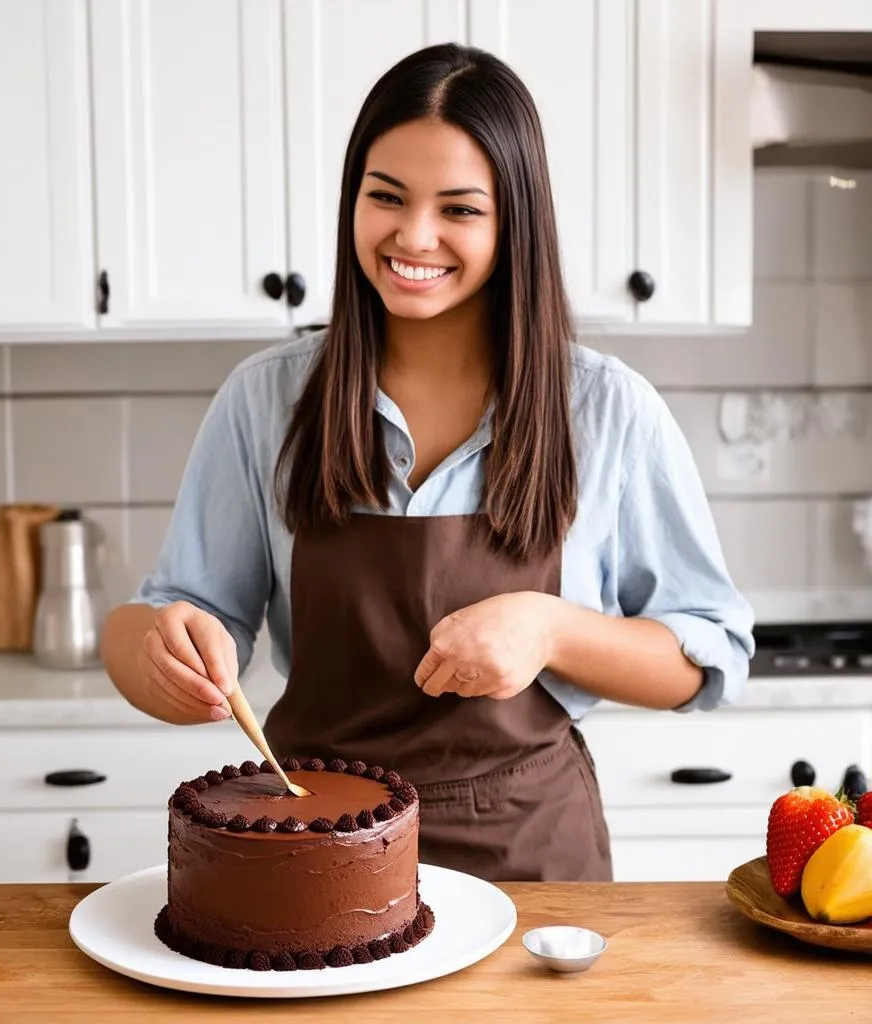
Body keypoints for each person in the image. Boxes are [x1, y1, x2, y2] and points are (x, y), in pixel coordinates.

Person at [101, 43, 755, 883]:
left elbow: (708, 658)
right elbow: (171, 618)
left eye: (459, 209)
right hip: (313, 844)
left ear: (513, 220)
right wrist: (155, 653)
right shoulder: (265, 400)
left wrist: (551, 627)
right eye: (386, 197)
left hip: (528, 855)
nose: (414, 236)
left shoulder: (606, 409)